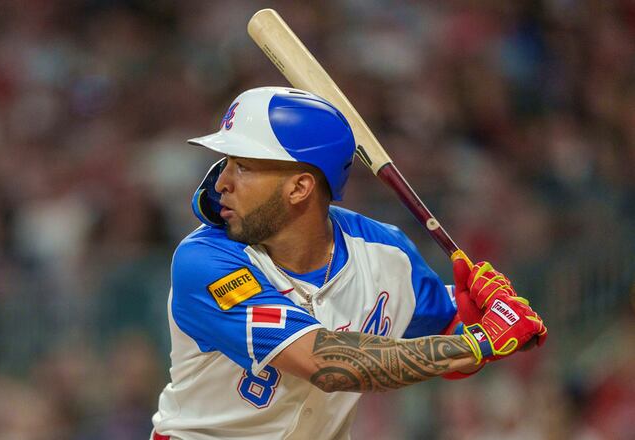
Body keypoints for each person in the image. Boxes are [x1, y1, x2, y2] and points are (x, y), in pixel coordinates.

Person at [151, 87, 547, 440]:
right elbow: (327, 365)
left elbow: (448, 351)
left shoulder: (385, 253)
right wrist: (478, 342)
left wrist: (485, 320)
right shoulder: (204, 260)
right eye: (227, 162)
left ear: (300, 188)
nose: (221, 182)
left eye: (244, 166)